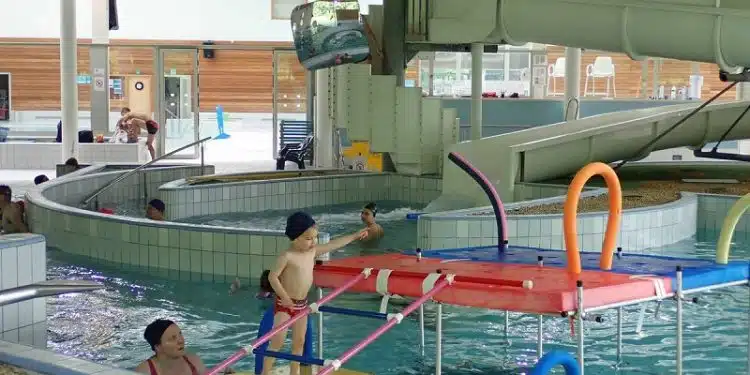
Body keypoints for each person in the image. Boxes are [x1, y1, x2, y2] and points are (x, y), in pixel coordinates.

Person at [262, 212, 368, 375]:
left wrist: (354, 236)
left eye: (315, 237)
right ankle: (265, 373)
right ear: (295, 237)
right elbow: (273, 276)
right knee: (277, 342)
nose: (313, 242)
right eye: (308, 238)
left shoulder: (312, 252)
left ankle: (294, 373)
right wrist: (284, 296)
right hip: (285, 306)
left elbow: (335, 244)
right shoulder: (287, 256)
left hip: (302, 305)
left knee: (299, 343)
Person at [134, 319, 210, 375]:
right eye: (173, 338)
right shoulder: (144, 371)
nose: (181, 340)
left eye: (180, 334)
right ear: (158, 347)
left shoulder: (194, 362)